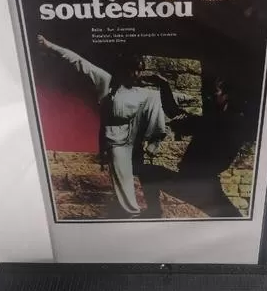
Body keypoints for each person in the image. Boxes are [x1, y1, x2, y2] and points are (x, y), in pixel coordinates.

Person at [37, 35, 166, 217]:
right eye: (133, 70)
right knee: (122, 174)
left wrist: (164, 86)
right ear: (124, 69)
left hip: (135, 136)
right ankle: (132, 212)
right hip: (115, 139)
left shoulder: (143, 92)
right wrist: (49, 45)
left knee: (153, 96)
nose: (137, 74)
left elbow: (161, 103)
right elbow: (78, 61)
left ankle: (155, 139)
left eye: (139, 70)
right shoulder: (106, 81)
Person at [139, 74, 247, 218]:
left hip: (200, 184)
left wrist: (164, 85)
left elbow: (174, 113)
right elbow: (177, 115)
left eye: (217, 91)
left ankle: (154, 213)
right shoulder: (224, 119)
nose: (212, 95)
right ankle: (154, 213)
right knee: (147, 172)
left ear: (227, 96)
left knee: (231, 218)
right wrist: (164, 85)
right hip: (193, 181)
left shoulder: (225, 121)